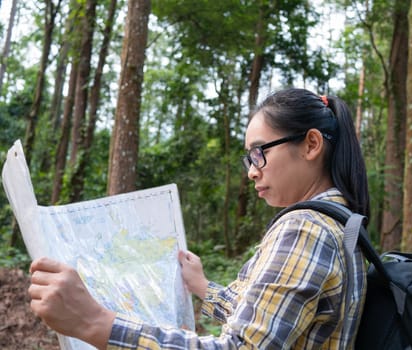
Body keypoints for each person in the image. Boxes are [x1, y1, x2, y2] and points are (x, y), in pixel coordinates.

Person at [28, 87, 369, 349]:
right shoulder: (340, 223)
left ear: (311, 145)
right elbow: (270, 320)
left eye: (259, 153)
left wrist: (95, 322)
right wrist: (203, 287)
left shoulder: (305, 229)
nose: (251, 172)